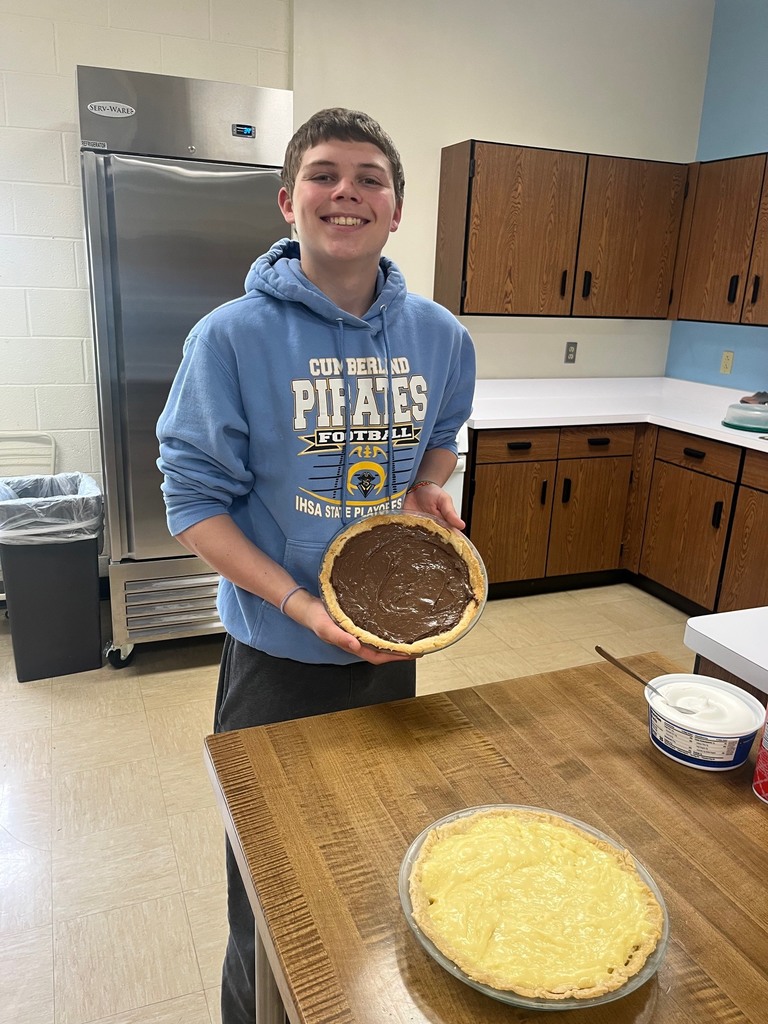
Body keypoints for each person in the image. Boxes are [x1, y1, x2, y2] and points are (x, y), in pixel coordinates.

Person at [156, 107, 475, 1024]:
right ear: (288, 199)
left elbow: (439, 443)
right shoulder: (229, 338)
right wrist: (299, 604)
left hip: (391, 651)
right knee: (271, 888)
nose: (349, 191)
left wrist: (427, 493)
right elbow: (193, 506)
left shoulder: (443, 337)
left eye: (371, 177)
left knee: (374, 861)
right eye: (327, 174)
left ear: (397, 209)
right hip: (277, 659)